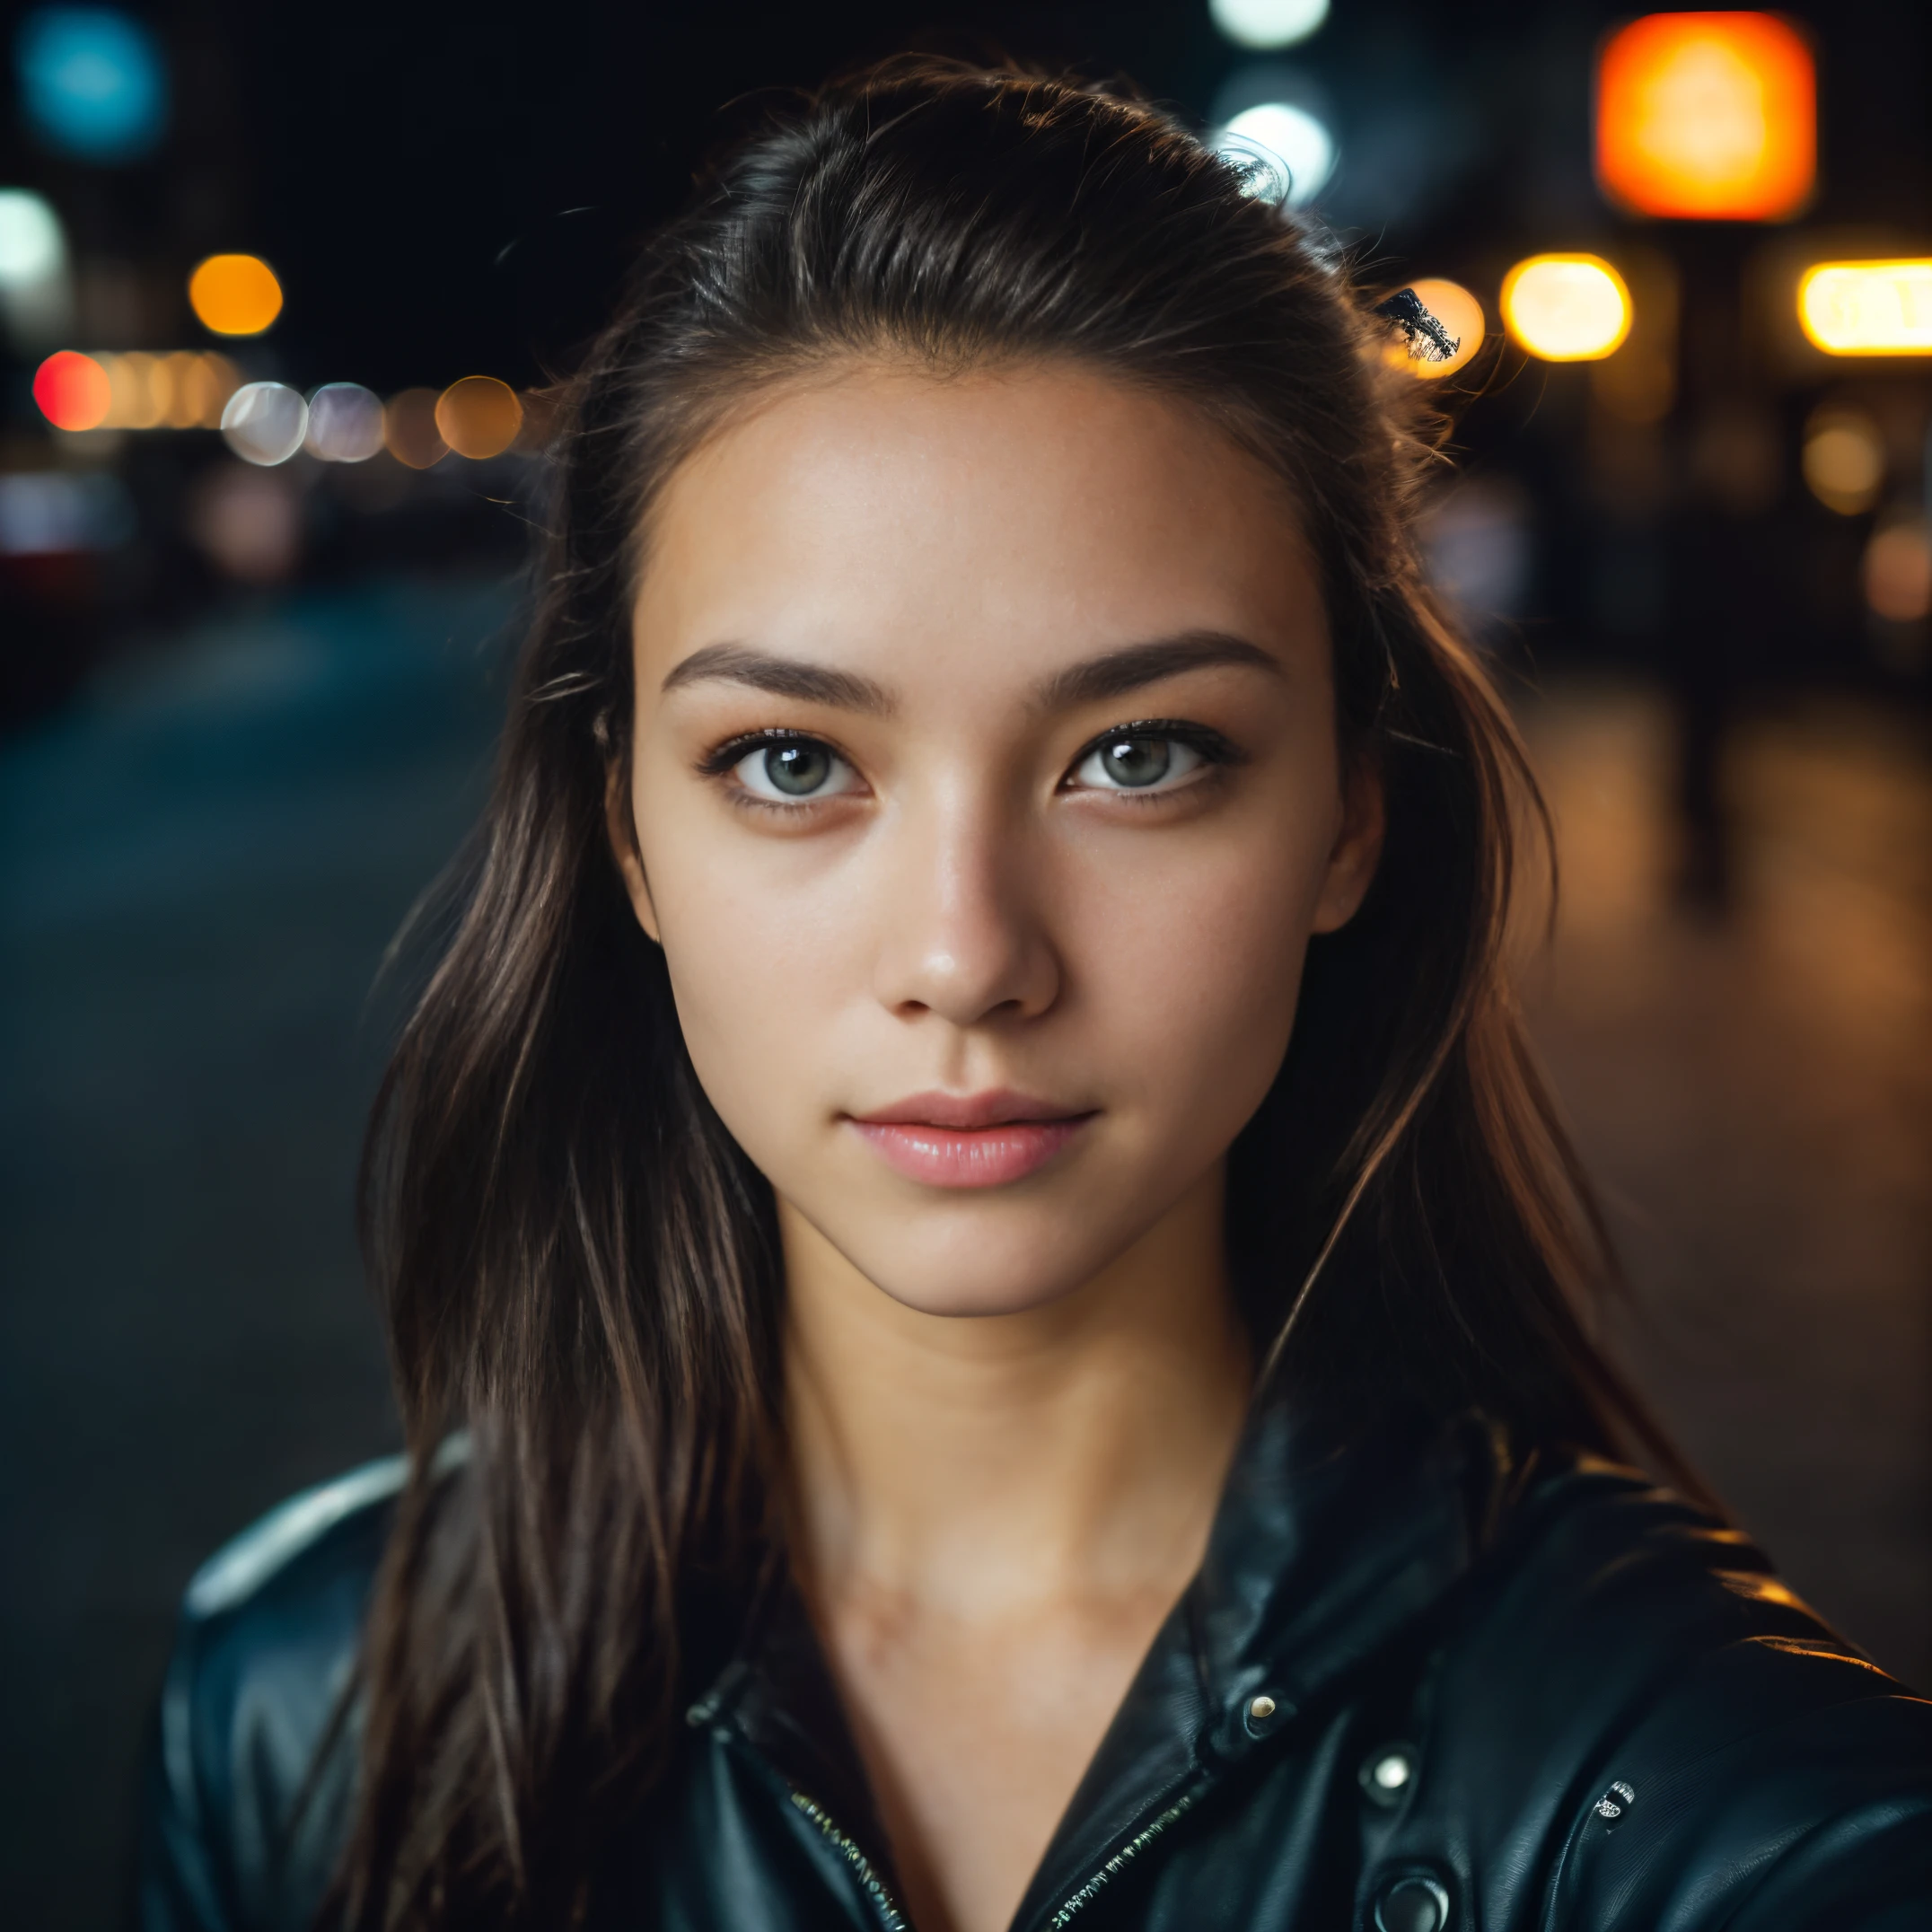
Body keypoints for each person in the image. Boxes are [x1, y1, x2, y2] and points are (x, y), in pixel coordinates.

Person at [136, 58, 1931, 1932]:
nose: (966, 955)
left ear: (1347, 817)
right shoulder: (303, 1719)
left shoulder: (1724, 1828)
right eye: (791, 761)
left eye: (1139, 754)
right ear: (628, 841)